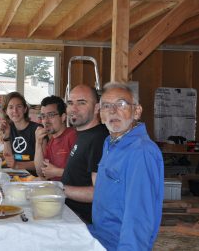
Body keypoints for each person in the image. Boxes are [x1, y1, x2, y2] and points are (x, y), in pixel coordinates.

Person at [89, 82, 164, 250]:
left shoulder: (141, 152)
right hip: (99, 238)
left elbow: (139, 218)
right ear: (100, 115)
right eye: (106, 106)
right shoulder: (110, 143)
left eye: (121, 104)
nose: (112, 111)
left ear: (136, 111)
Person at [61, 84, 109, 223]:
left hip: (84, 224)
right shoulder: (83, 134)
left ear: (96, 108)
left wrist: (58, 189)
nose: (73, 109)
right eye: (70, 103)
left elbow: (98, 193)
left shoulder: (99, 139)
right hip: (69, 214)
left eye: (81, 103)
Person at [0, 92, 45, 174]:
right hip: (16, 175)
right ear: (6, 111)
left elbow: (42, 164)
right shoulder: (9, 128)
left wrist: (18, 165)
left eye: (19, 106)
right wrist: (6, 136)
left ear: (25, 109)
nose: (15, 111)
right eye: (11, 107)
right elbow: (8, 159)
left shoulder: (38, 130)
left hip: (35, 178)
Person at [34, 95, 77, 181]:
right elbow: (41, 172)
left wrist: (57, 172)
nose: (46, 121)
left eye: (51, 115)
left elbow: (82, 174)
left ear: (63, 117)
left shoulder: (73, 136)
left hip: (70, 191)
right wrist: (38, 143)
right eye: (43, 116)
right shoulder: (51, 141)